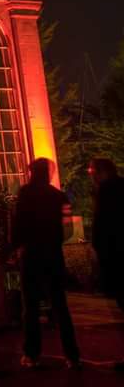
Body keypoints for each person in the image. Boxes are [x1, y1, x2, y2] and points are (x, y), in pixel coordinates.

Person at [11, 157, 80, 369]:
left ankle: (32, 354)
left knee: (30, 306)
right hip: (53, 254)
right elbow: (68, 228)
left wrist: (14, 247)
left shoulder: (25, 193)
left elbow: (18, 223)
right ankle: (72, 355)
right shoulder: (59, 196)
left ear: (32, 172)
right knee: (60, 304)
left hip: (31, 254)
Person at [89, 158, 124, 371]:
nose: (91, 175)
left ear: (101, 172)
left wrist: (98, 251)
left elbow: (102, 225)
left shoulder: (106, 191)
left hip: (116, 256)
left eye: (92, 171)